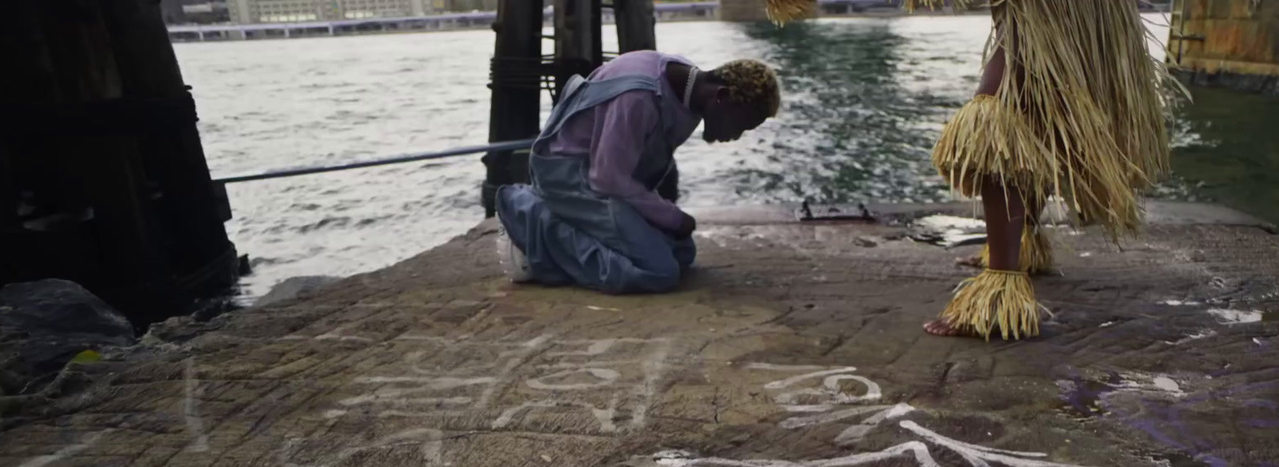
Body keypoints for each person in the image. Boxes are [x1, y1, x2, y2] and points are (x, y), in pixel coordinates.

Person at [761, 0, 1172, 340]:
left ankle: (1000, 293)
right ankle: (1020, 245)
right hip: (1081, 13)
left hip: (1052, 12)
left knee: (994, 121)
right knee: (1040, 117)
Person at [498, 53, 781, 294]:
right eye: (740, 125)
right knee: (659, 272)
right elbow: (606, 177)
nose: (735, 136)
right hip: (569, 178)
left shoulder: (690, 92)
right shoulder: (638, 96)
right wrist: (670, 215)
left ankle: (565, 239)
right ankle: (532, 218)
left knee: (682, 253)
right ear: (722, 97)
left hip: (605, 178)